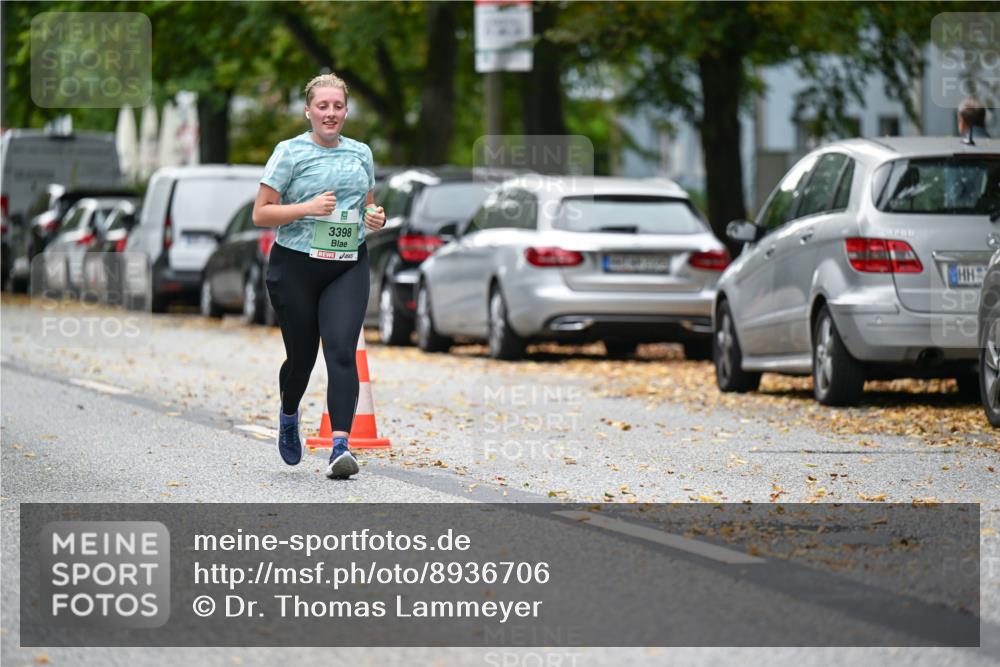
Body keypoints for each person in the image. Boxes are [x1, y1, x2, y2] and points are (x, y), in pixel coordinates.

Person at [251, 73, 386, 480]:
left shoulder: (360, 153)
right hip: (296, 266)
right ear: (308, 111)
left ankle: (340, 447)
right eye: (322, 106)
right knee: (302, 359)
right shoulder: (290, 152)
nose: (330, 113)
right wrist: (306, 208)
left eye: (337, 106)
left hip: (347, 263)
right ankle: (289, 414)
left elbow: (367, 204)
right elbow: (261, 213)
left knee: (342, 352)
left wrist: (374, 217)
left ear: (346, 111)